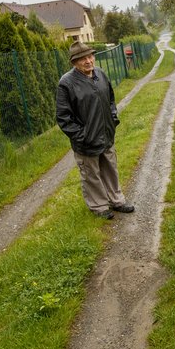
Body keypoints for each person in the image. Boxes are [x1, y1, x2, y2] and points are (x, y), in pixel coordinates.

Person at [56, 41, 134, 220]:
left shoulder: (100, 74)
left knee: (110, 169)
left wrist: (113, 119)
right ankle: (99, 206)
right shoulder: (66, 83)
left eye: (90, 56)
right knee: (91, 175)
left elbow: (111, 99)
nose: (88, 61)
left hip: (106, 134)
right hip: (86, 142)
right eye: (82, 59)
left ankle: (117, 200)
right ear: (74, 62)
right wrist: (82, 136)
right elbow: (63, 117)